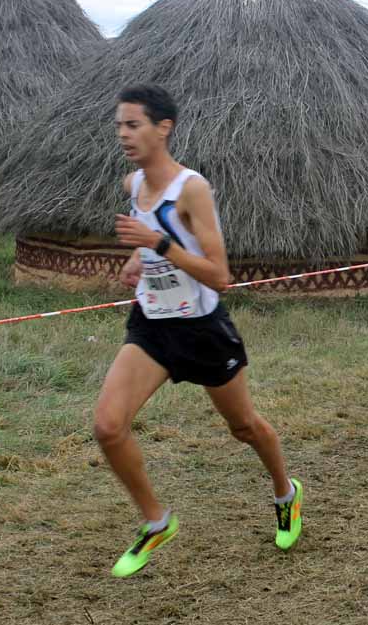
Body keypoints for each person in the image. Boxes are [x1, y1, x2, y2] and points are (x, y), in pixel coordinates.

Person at [96, 85, 302, 577]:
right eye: (120, 125)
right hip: (152, 325)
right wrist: (135, 260)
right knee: (107, 425)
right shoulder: (133, 185)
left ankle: (285, 493)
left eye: (133, 124)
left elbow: (219, 274)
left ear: (162, 128)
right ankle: (156, 520)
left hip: (202, 327)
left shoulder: (192, 188)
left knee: (244, 427)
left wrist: (156, 244)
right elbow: (150, 239)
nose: (123, 134)